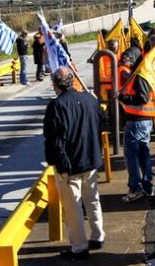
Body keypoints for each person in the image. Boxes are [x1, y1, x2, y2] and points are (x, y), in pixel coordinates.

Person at [43, 67, 105, 261]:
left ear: (55, 84)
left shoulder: (56, 106)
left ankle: (79, 247)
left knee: (73, 209)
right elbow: (102, 124)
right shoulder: (90, 100)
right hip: (91, 159)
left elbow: (54, 141)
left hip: (70, 165)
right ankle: (98, 235)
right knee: (92, 199)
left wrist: (60, 166)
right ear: (72, 81)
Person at [118, 36, 155, 202]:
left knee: (131, 156)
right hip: (144, 120)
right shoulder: (146, 72)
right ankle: (148, 186)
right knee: (144, 154)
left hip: (136, 121)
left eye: (128, 59)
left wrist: (121, 97)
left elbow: (141, 98)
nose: (126, 62)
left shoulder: (140, 76)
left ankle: (135, 188)